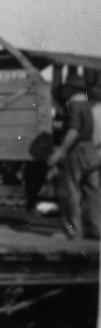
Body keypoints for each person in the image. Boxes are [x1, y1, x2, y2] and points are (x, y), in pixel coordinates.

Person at [47, 79, 101, 240]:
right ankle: (97, 229)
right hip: (90, 151)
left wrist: (60, 152)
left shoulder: (73, 105)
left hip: (77, 152)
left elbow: (74, 131)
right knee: (92, 192)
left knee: (69, 191)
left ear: (70, 89)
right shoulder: (87, 105)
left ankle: (73, 231)